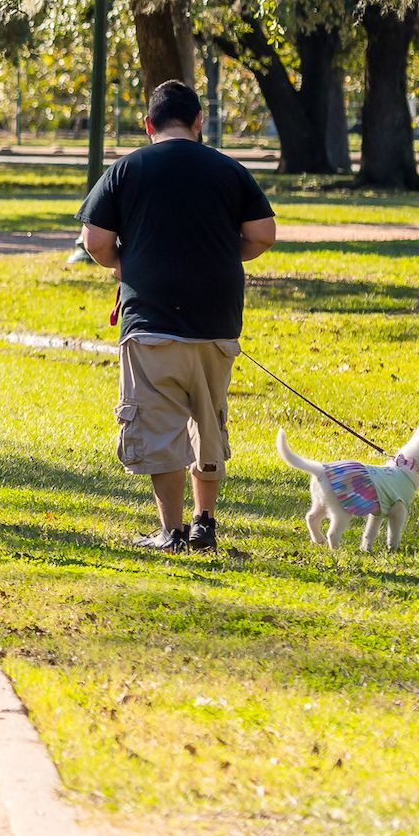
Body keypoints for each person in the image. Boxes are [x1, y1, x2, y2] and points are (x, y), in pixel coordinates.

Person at [80, 78, 277, 552]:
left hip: (150, 321)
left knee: (158, 424)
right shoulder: (228, 170)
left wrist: (128, 263)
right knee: (208, 421)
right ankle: (205, 522)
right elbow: (264, 233)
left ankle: (171, 530)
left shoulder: (125, 170)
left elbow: (95, 242)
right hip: (216, 320)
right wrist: (224, 255)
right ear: (198, 123)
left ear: (148, 124)